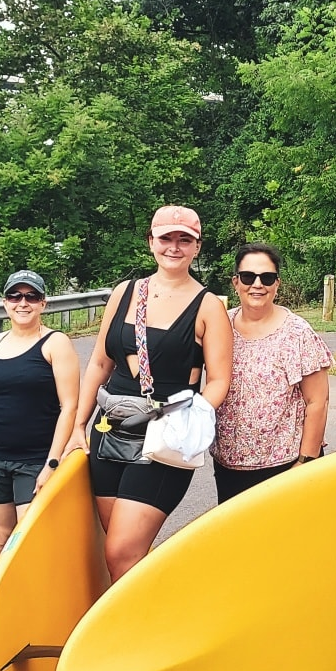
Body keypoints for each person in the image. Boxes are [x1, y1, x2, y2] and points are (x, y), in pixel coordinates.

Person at [66, 206, 232, 581]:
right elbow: (98, 364)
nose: (174, 247)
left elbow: (220, 379)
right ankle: (157, 614)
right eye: (166, 238)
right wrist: (78, 424)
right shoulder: (125, 293)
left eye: (184, 240)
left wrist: (190, 416)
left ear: (197, 247)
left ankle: (129, 636)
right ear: (151, 242)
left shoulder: (208, 306)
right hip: (110, 429)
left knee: (121, 551)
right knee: (125, 550)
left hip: (165, 439)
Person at [0, 270, 80, 557]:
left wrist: (51, 464)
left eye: (31, 296)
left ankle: (43, 600)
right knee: (3, 537)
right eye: (15, 296)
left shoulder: (55, 344)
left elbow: (70, 407)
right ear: (5, 303)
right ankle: (7, 602)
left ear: (43, 304)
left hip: (34, 460)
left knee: (30, 538)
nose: (22, 303)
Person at [210, 243, 333, 501]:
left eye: (267, 278)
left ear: (277, 284)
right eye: (248, 277)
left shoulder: (298, 332)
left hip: (286, 467)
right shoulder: (218, 327)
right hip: (230, 468)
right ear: (235, 282)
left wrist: (305, 461)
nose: (257, 284)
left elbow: (317, 401)